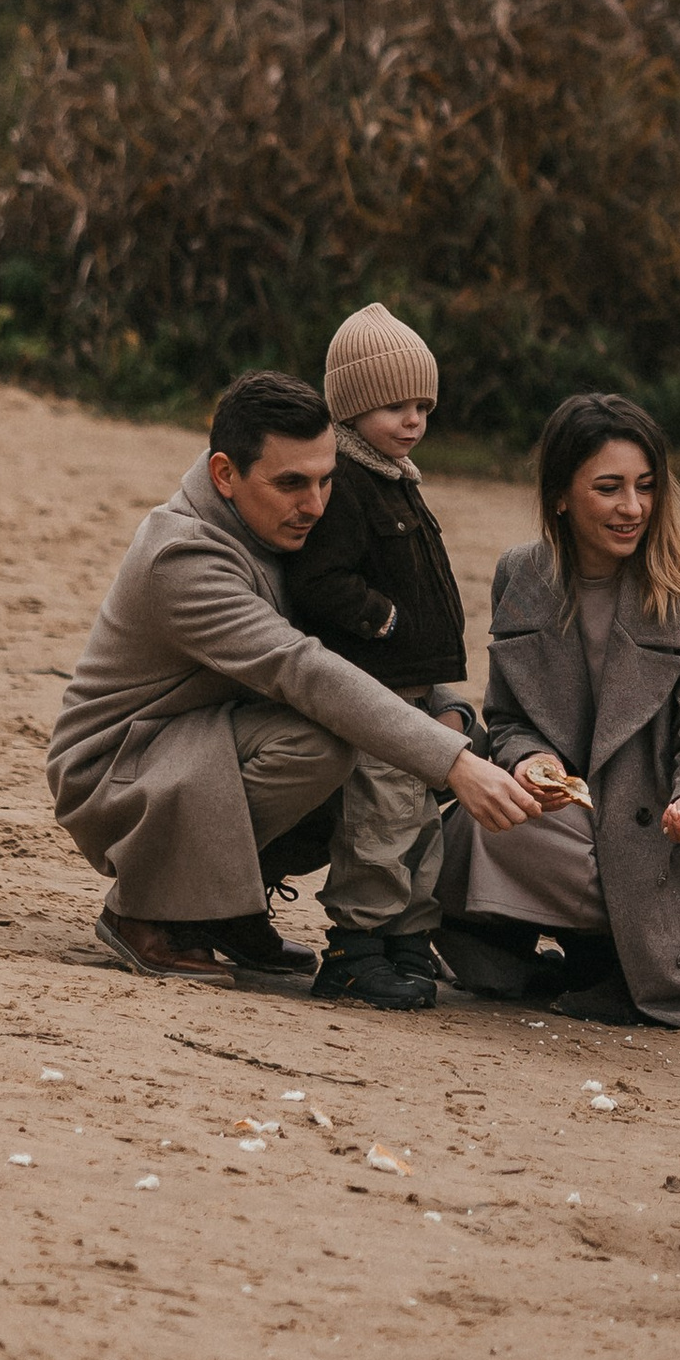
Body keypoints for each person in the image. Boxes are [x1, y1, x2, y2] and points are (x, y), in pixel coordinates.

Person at [49, 369, 542, 990]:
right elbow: (302, 667)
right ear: (225, 474)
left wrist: (448, 712)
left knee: (385, 755)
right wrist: (454, 764)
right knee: (323, 747)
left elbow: (364, 653)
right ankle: (145, 911)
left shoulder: (285, 527)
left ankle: (225, 909)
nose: (314, 504)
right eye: (290, 483)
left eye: (326, 479)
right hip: (120, 768)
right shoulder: (183, 556)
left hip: (213, 740)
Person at [442, 390, 680, 1032]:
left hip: (665, 826)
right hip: (571, 822)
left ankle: (610, 955)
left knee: (600, 855)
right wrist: (532, 760)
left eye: (646, 487)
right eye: (609, 488)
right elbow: (507, 720)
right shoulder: (522, 574)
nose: (633, 508)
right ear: (561, 496)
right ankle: (579, 949)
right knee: (470, 825)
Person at [280, 303, 476, 1014]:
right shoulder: (346, 484)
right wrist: (383, 618)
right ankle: (355, 952)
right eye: (395, 405)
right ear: (354, 406)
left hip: (414, 689)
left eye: (422, 404)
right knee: (381, 820)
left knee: (421, 823)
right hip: (376, 686)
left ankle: (407, 943)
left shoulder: (398, 476)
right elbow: (319, 581)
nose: (413, 419)